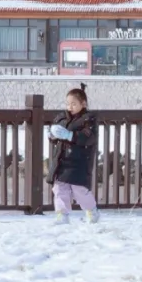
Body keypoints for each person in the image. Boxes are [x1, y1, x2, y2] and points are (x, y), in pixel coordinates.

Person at [49, 86, 99, 222]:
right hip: (62, 160)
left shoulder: (89, 119)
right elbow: (53, 136)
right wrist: (52, 134)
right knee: (59, 188)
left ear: (83, 104)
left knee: (79, 190)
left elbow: (89, 137)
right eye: (68, 104)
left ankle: (91, 212)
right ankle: (62, 214)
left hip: (79, 161)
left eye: (73, 104)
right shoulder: (62, 118)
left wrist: (70, 135)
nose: (70, 107)